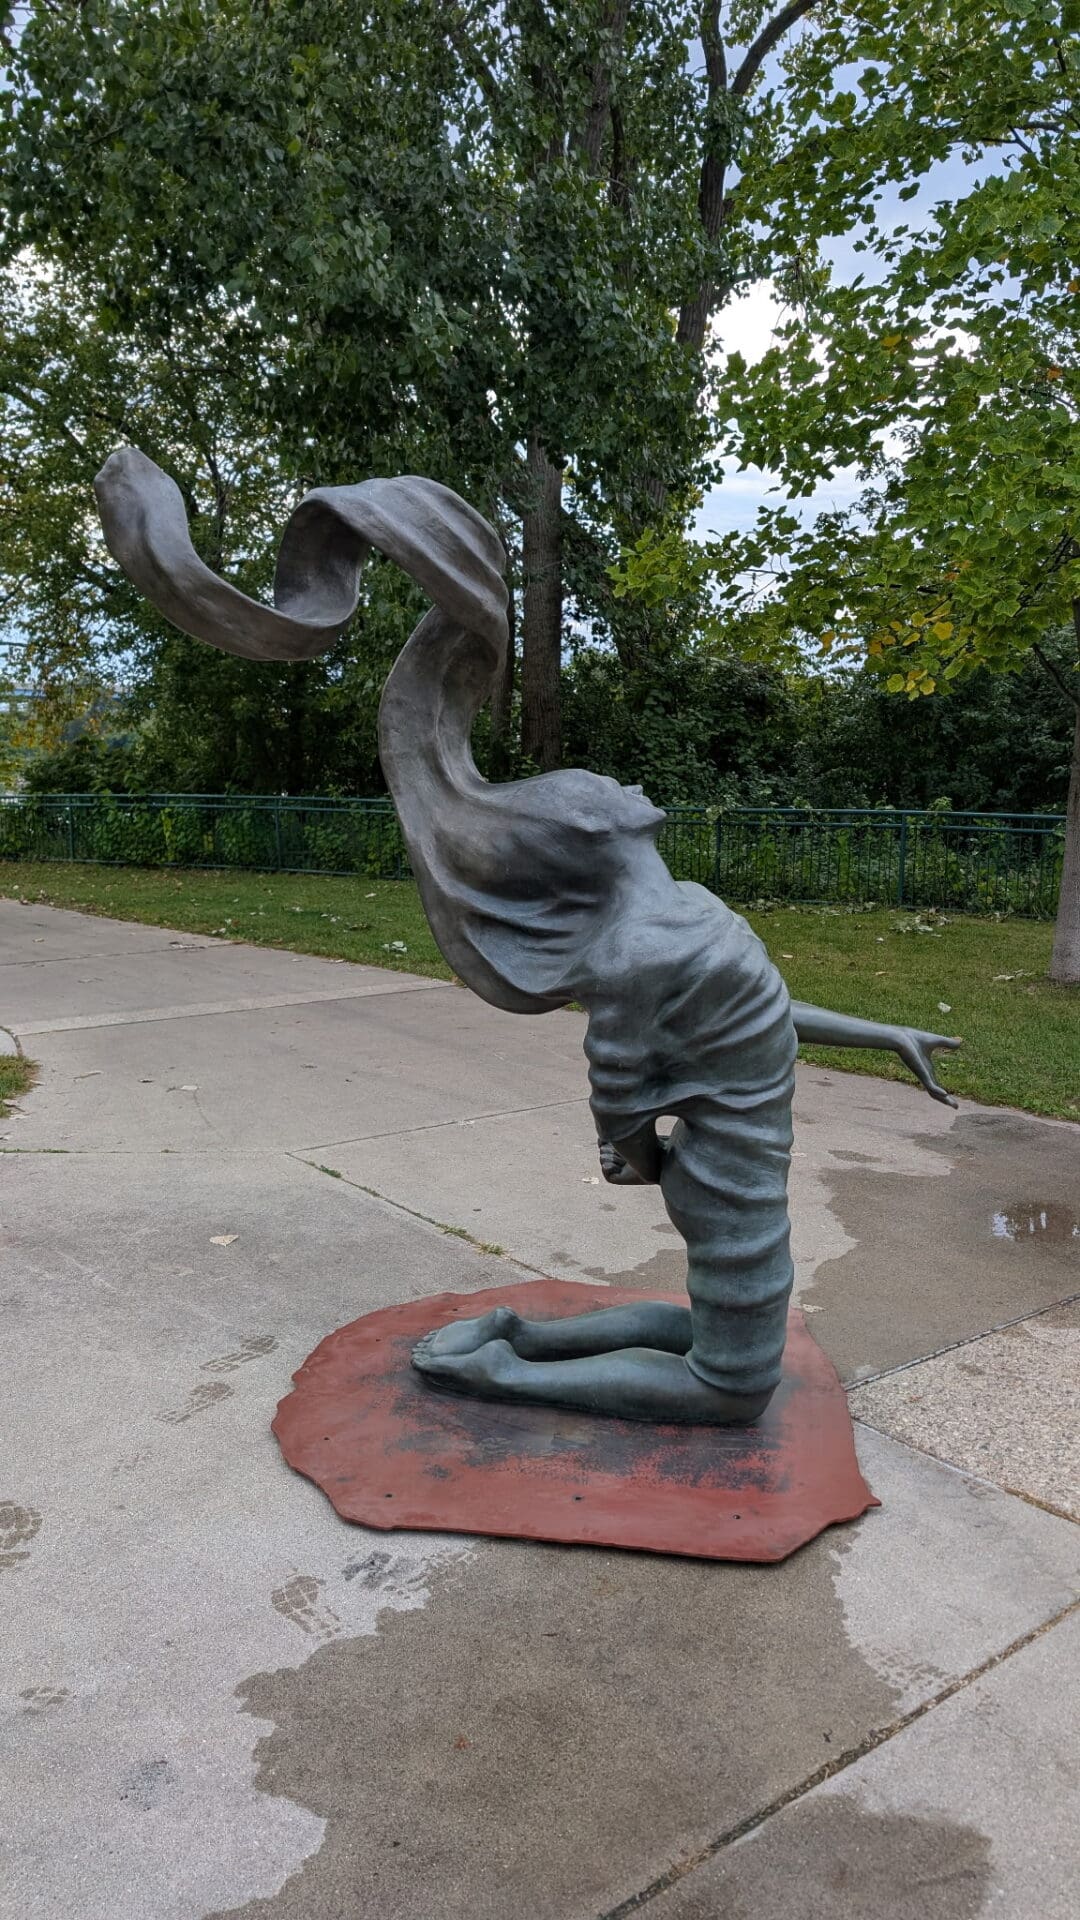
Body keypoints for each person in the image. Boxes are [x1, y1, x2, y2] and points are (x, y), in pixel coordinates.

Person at [94, 449, 959, 1425]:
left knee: (706, 1336)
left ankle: (523, 1335)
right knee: (733, 1389)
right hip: (730, 1180)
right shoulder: (644, 948)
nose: (621, 780)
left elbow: (759, 1015)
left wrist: (886, 1036)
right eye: (598, 787)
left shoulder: (691, 911)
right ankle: (495, 1374)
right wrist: (644, 1161)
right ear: (595, 829)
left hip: (728, 1164)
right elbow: (617, 1100)